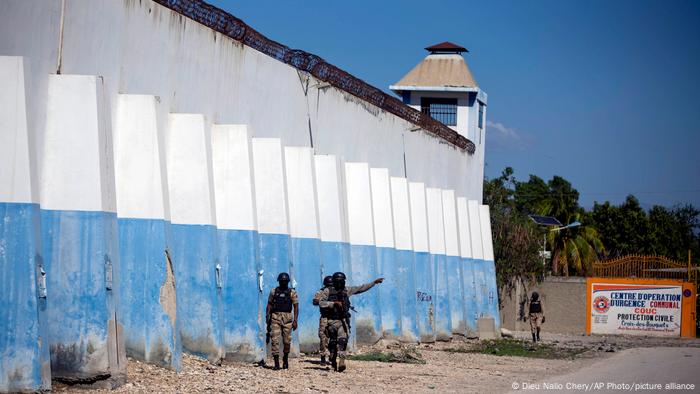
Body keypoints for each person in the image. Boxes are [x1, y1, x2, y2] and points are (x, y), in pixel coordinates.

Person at [318, 272, 384, 372]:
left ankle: (342, 361)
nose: (340, 283)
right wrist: (333, 304)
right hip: (331, 321)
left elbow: (361, 288)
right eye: (338, 281)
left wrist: (373, 283)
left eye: (342, 281)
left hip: (342, 320)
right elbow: (321, 303)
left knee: (343, 340)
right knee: (333, 342)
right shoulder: (327, 291)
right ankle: (333, 361)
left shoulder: (347, 290)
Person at [266, 272, 299, 370]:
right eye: (282, 281)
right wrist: (267, 315)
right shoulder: (274, 291)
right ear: (279, 281)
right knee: (275, 340)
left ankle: (285, 358)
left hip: (287, 318)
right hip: (275, 317)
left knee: (286, 341)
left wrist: (295, 320)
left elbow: (296, 307)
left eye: (285, 281)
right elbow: (269, 304)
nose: (283, 283)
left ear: (288, 282)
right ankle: (276, 363)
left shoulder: (292, 292)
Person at [312, 275, 334, 365]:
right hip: (324, 317)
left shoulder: (336, 292)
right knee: (323, 337)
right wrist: (324, 301)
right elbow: (315, 301)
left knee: (334, 337)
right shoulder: (321, 292)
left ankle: (332, 356)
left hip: (334, 317)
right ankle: (323, 356)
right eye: (328, 285)